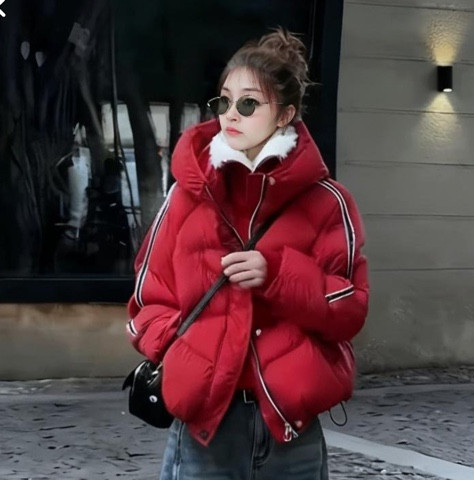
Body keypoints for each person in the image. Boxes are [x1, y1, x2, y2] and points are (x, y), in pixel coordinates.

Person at [126, 28, 369, 480]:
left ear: (286, 115)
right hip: (206, 429)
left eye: (249, 103)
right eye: (224, 102)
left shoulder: (328, 202)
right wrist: (184, 354)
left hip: (291, 431)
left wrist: (277, 276)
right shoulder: (186, 196)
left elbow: (350, 307)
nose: (231, 114)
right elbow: (146, 300)